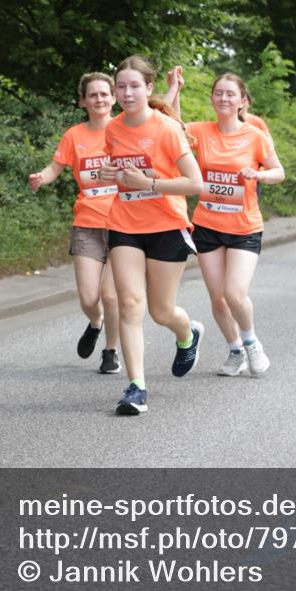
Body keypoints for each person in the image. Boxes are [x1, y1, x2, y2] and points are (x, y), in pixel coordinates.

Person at [98, 56, 204, 415]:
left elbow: (195, 183)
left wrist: (151, 184)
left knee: (161, 311)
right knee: (129, 304)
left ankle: (187, 333)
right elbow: (110, 176)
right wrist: (108, 172)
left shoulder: (166, 128)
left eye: (133, 86)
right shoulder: (112, 129)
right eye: (121, 87)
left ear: (148, 88)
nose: (126, 93)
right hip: (125, 223)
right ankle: (136, 387)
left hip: (166, 226)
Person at [184, 73, 285, 377]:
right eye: (219, 93)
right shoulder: (200, 131)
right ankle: (234, 350)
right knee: (217, 297)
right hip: (207, 225)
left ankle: (252, 342)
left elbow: (278, 171)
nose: (224, 98)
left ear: (242, 101)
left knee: (235, 293)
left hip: (244, 227)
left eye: (230, 94)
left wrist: (260, 176)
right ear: (212, 98)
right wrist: (175, 88)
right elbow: (169, 127)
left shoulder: (255, 135)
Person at [29, 73, 120, 373]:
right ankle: (95, 322)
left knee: (111, 294)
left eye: (104, 94)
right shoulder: (75, 135)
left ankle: (111, 351)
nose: (99, 99)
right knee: (89, 297)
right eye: (93, 95)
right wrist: (43, 176)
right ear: (83, 101)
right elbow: (56, 166)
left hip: (122, 223)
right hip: (87, 223)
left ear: (114, 97)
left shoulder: (124, 131)